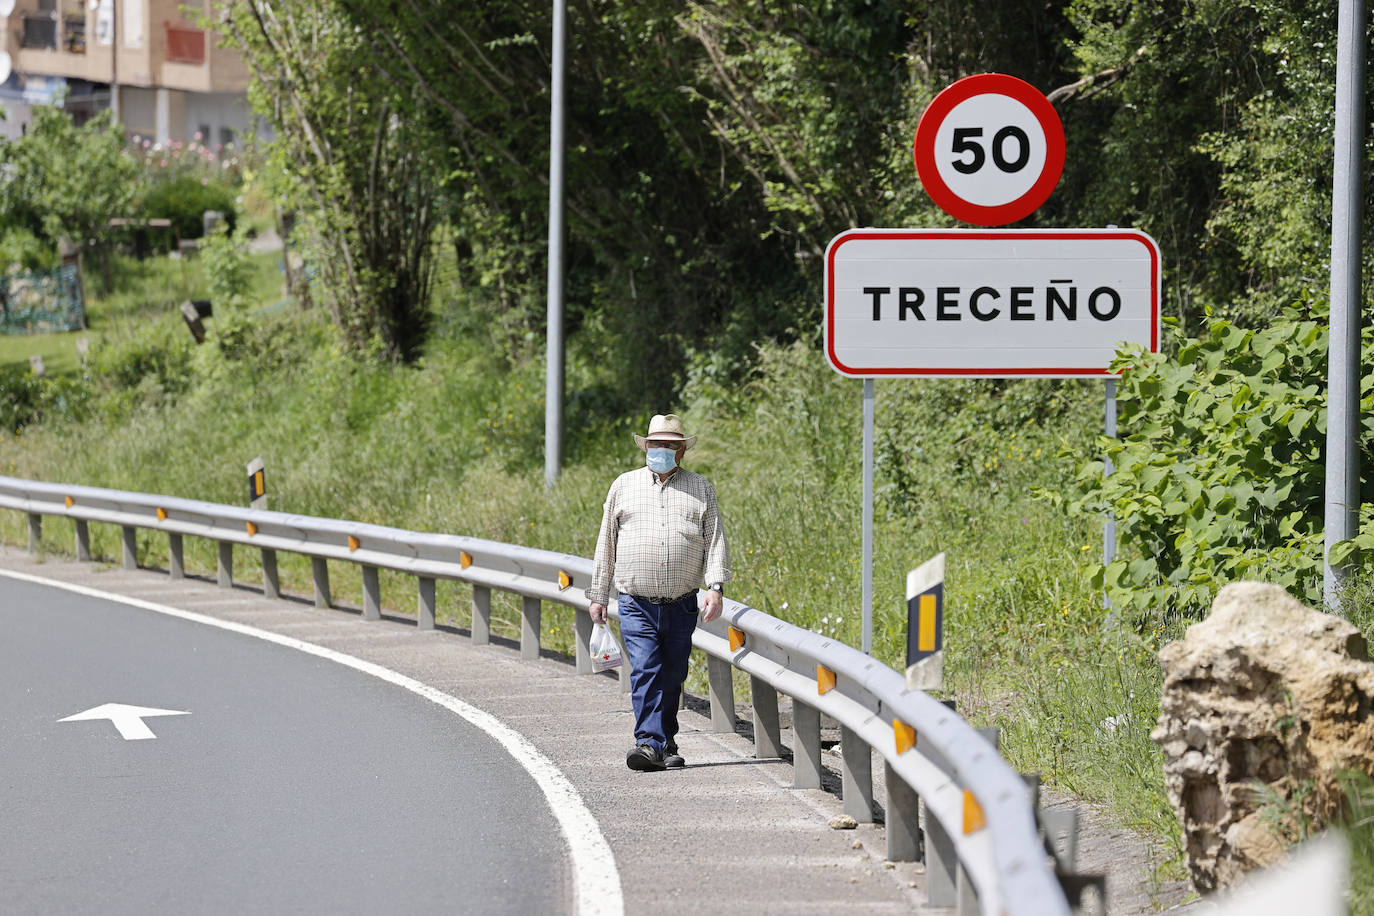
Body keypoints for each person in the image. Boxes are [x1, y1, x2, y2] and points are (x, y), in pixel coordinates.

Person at [586, 414, 732, 772]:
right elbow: (607, 541)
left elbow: (715, 540)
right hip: (636, 601)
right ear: (646, 447)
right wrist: (599, 594)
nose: (661, 450)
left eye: (669, 445)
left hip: (682, 604)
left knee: (672, 675)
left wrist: (715, 586)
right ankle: (648, 743)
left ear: (681, 451)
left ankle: (665, 742)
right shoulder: (623, 485)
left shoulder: (701, 488)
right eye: (655, 444)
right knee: (647, 669)